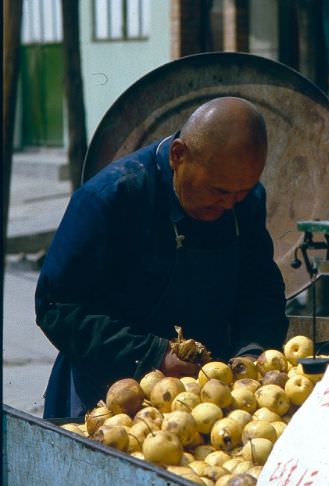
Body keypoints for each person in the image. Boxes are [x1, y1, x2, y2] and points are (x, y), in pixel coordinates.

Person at [37, 97, 289, 419]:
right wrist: (154, 355)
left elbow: (261, 289)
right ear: (178, 155)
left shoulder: (245, 199)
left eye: (241, 192)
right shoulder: (109, 200)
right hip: (107, 396)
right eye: (219, 191)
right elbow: (57, 308)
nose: (229, 204)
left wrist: (252, 351)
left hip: (208, 400)